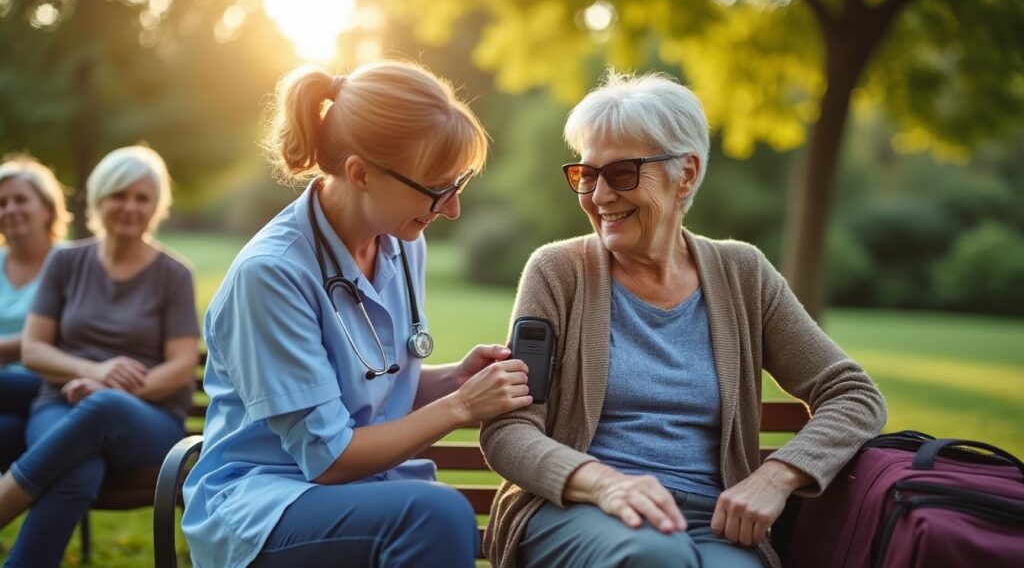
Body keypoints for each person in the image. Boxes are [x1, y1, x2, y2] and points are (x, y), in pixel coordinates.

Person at [481, 71, 888, 568]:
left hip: (713, 524)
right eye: (587, 175)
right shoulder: (558, 272)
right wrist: (604, 483)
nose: (600, 195)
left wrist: (776, 476)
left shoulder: (743, 274)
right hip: (581, 508)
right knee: (655, 556)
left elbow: (853, 395)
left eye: (622, 173)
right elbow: (510, 430)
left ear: (686, 174)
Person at [181, 60, 532, 568]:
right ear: (360, 173)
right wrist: (461, 407)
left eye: (460, 183)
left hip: (365, 492)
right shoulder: (272, 275)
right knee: (436, 516)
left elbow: (372, 389)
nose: (453, 208)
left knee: (433, 514)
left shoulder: (403, 242)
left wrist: (456, 380)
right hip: (265, 505)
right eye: (437, 188)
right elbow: (330, 458)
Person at [0, 145, 199, 568]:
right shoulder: (66, 262)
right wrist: (96, 370)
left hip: (147, 417)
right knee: (79, 471)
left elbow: (181, 366)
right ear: (97, 200)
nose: (130, 207)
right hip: (59, 402)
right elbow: (34, 349)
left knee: (105, 405)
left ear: (156, 206)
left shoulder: (174, 274)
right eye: (118, 195)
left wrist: (113, 388)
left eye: (142, 197)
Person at [0, 154, 70, 470]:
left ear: (47, 209)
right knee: (8, 431)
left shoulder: (72, 262)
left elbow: (64, 332)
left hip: (49, 384)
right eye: (2, 203)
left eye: (20, 200)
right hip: (14, 405)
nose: (10, 209)